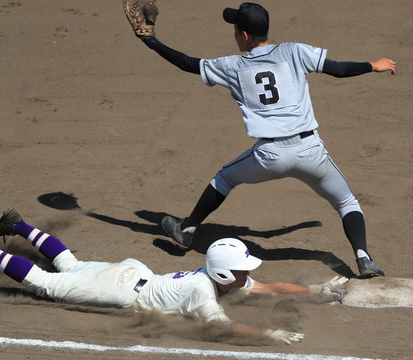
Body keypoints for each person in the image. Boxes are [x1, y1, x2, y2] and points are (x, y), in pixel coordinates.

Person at [127, 2, 395, 278]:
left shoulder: (232, 66)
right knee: (346, 202)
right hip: (310, 151)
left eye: (235, 29)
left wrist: (150, 41)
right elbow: (337, 69)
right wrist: (371, 66)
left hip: (270, 156)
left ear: (243, 35)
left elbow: (187, 63)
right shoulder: (293, 51)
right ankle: (364, 258)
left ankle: (187, 229)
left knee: (225, 178)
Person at [0, 208, 347, 344]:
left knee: (70, 265)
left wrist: (316, 289)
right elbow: (226, 328)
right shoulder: (202, 291)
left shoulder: (216, 278)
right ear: (226, 273)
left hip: (133, 273)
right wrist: (268, 334)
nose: (249, 275)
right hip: (121, 289)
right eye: (243, 269)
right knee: (48, 283)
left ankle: (19, 224)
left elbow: (271, 286)